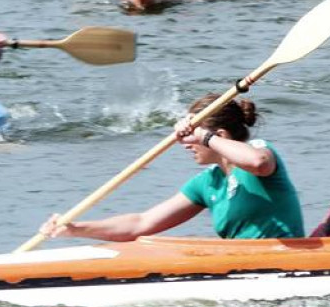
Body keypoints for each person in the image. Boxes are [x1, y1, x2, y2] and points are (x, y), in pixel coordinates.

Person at [41, 94, 305, 241]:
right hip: (241, 263)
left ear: (221, 136)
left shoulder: (259, 149)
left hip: (285, 259)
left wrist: (204, 136)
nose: (186, 144)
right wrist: (77, 229)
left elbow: (258, 163)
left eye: (194, 139)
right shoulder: (207, 183)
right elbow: (140, 223)